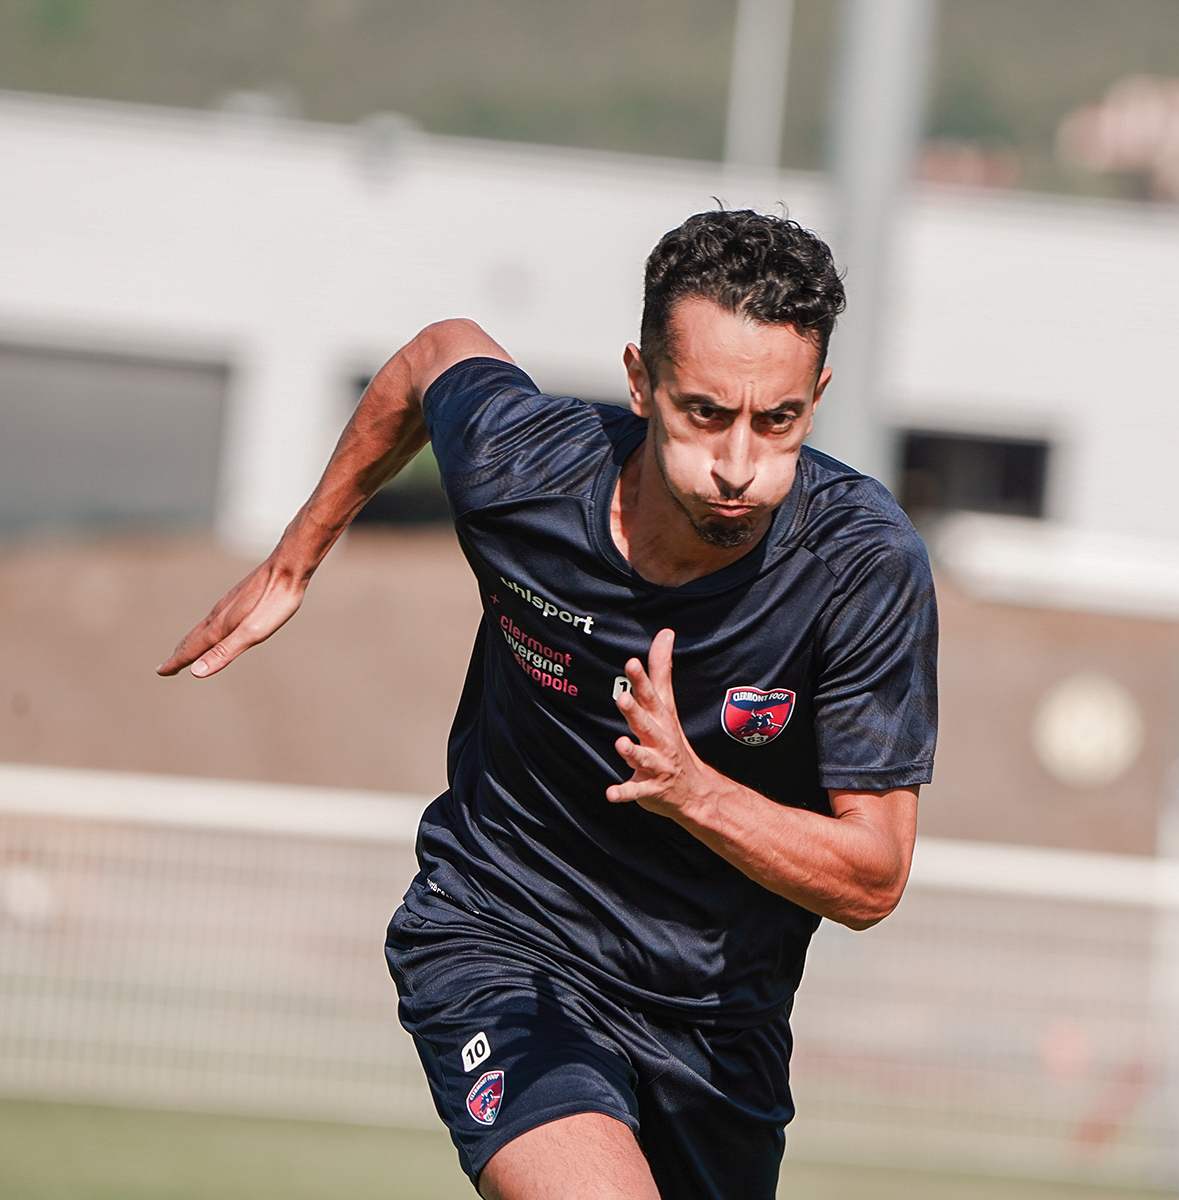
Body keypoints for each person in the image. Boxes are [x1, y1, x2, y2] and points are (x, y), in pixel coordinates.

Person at [158, 209, 939, 1200]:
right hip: (503, 940)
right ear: (640, 382)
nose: (739, 465)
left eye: (775, 421)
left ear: (816, 399)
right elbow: (436, 353)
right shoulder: (525, 471)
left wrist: (694, 793)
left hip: (716, 1028)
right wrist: (294, 559)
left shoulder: (862, 569)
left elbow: (873, 878)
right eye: (704, 413)